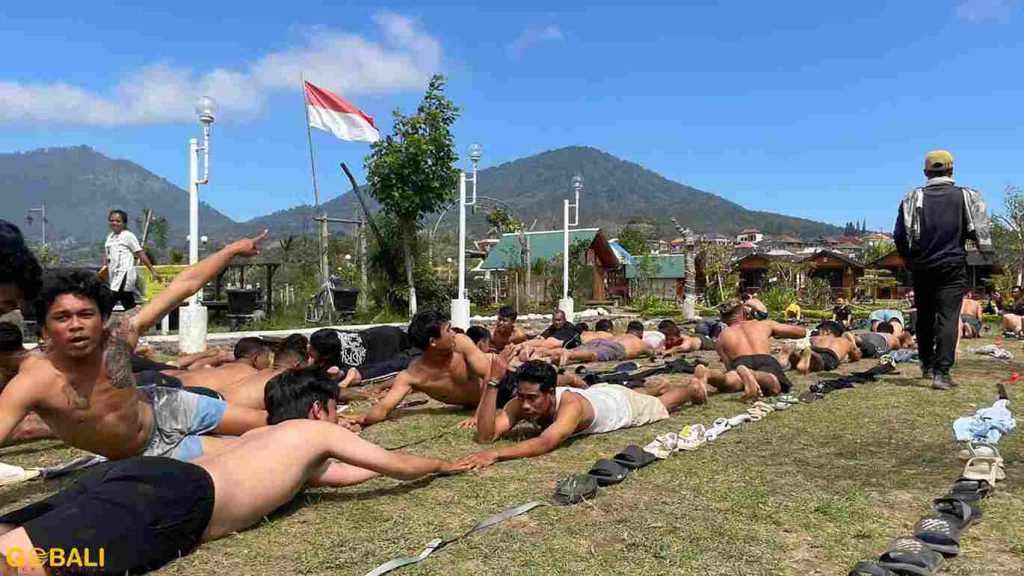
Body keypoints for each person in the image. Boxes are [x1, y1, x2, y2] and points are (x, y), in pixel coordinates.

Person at [0, 366, 468, 576]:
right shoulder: (317, 434)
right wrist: (448, 464)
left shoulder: (262, 440)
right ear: (319, 409)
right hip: (174, 500)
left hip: (136, 476)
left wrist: (365, 464)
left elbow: (350, 474)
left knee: (13, 535)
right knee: (22, 563)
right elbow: (396, 466)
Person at [0, 232, 272, 461]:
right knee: (251, 454)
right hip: (148, 452)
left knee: (268, 424)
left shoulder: (116, 339)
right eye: (62, 318)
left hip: (168, 405)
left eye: (85, 315)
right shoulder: (35, 381)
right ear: (45, 329)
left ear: (102, 319)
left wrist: (232, 249)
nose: (76, 325)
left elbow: (184, 286)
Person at [464, 357, 706, 468]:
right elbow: (485, 436)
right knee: (639, 394)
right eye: (522, 396)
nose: (525, 405)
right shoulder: (520, 401)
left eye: (532, 398)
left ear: (551, 393)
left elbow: (545, 442)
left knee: (662, 404)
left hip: (622, 405)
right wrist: (493, 384)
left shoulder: (571, 406)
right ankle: (653, 389)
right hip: (598, 393)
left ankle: (692, 389)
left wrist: (497, 454)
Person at [894, 150, 992, 389]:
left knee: (925, 316)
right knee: (949, 318)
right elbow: (980, 230)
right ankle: (942, 373)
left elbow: (900, 235)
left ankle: (926, 364)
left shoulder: (912, 198)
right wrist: (986, 256)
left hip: (923, 266)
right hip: (953, 265)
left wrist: (908, 259)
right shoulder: (967, 196)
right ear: (951, 170)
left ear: (926, 172)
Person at [354, 311, 490, 428]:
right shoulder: (412, 376)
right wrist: (359, 420)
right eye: (448, 330)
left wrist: (479, 415)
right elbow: (383, 409)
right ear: (433, 342)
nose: (454, 333)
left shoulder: (461, 343)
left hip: (500, 389)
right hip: (473, 404)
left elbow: (490, 374)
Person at [689, 299, 807, 401]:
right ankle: (752, 374)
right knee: (774, 385)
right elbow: (801, 332)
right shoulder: (763, 325)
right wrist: (778, 334)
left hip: (740, 362)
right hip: (764, 359)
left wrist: (738, 377)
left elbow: (729, 366)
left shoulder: (721, 337)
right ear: (744, 312)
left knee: (728, 381)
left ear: (724, 319)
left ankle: (708, 373)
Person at [134, 337, 272, 392]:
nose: (269, 361)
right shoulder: (252, 376)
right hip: (168, 389)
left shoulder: (224, 368)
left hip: (157, 377)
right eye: (267, 357)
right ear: (256, 359)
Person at [218, 335, 310, 409]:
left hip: (216, 400)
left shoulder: (260, 373)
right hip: (222, 411)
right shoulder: (287, 380)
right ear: (297, 365)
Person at [307, 326, 419, 387]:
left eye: (312, 352)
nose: (309, 349)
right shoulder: (322, 336)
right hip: (387, 332)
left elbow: (352, 376)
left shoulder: (342, 365)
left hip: (389, 347)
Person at [100, 209, 162, 311]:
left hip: (124, 275)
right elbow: (107, 255)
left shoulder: (128, 236)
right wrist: (104, 267)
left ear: (124, 223)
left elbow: (140, 253)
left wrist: (153, 271)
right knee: (128, 304)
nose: (114, 223)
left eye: (118, 221)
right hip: (114, 276)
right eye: (112, 220)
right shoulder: (110, 237)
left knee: (107, 303)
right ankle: (140, 320)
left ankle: (102, 320)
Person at [778, 322, 861, 374]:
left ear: (826, 331)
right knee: (820, 362)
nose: (817, 333)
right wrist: (852, 343)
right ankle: (811, 356)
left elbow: (802, 343)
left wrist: (795, 347)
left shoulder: (815, 338)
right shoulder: (844, 341)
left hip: (813, 349)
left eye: (819, 331)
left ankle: (788, 357)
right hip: (830, 355)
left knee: (799, 355)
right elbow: (856, 356)